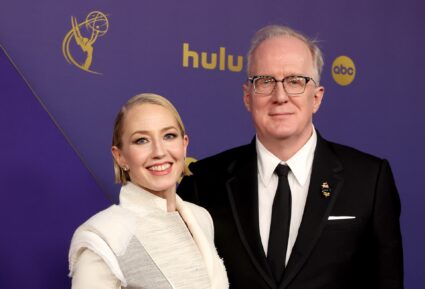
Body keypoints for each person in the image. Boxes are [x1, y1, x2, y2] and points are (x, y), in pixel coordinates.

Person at [178, 25, 403, 289]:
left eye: (295, 81)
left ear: (317, 98)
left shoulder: (369, 180)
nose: (280, 96)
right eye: (265, 82)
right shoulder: (202, 182)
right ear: (247, 97)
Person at [68, 93, 228, 289]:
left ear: (184, 144)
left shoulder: (201, 217)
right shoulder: (104, 235)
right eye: (142, 140)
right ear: (120, 157)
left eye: (169, 136)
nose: (159, 152)